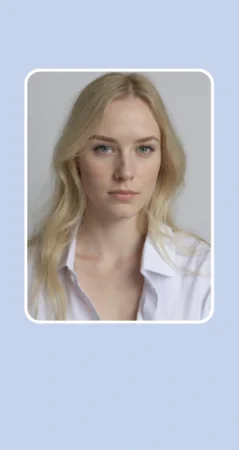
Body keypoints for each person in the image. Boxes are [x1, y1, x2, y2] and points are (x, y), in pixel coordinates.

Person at [27, 72, 211, 322]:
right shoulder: (24, 274)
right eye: (104, 148)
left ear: (163, 160)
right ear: (75, 159)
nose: (125, 172)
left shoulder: (204, 272)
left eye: (144, 149)